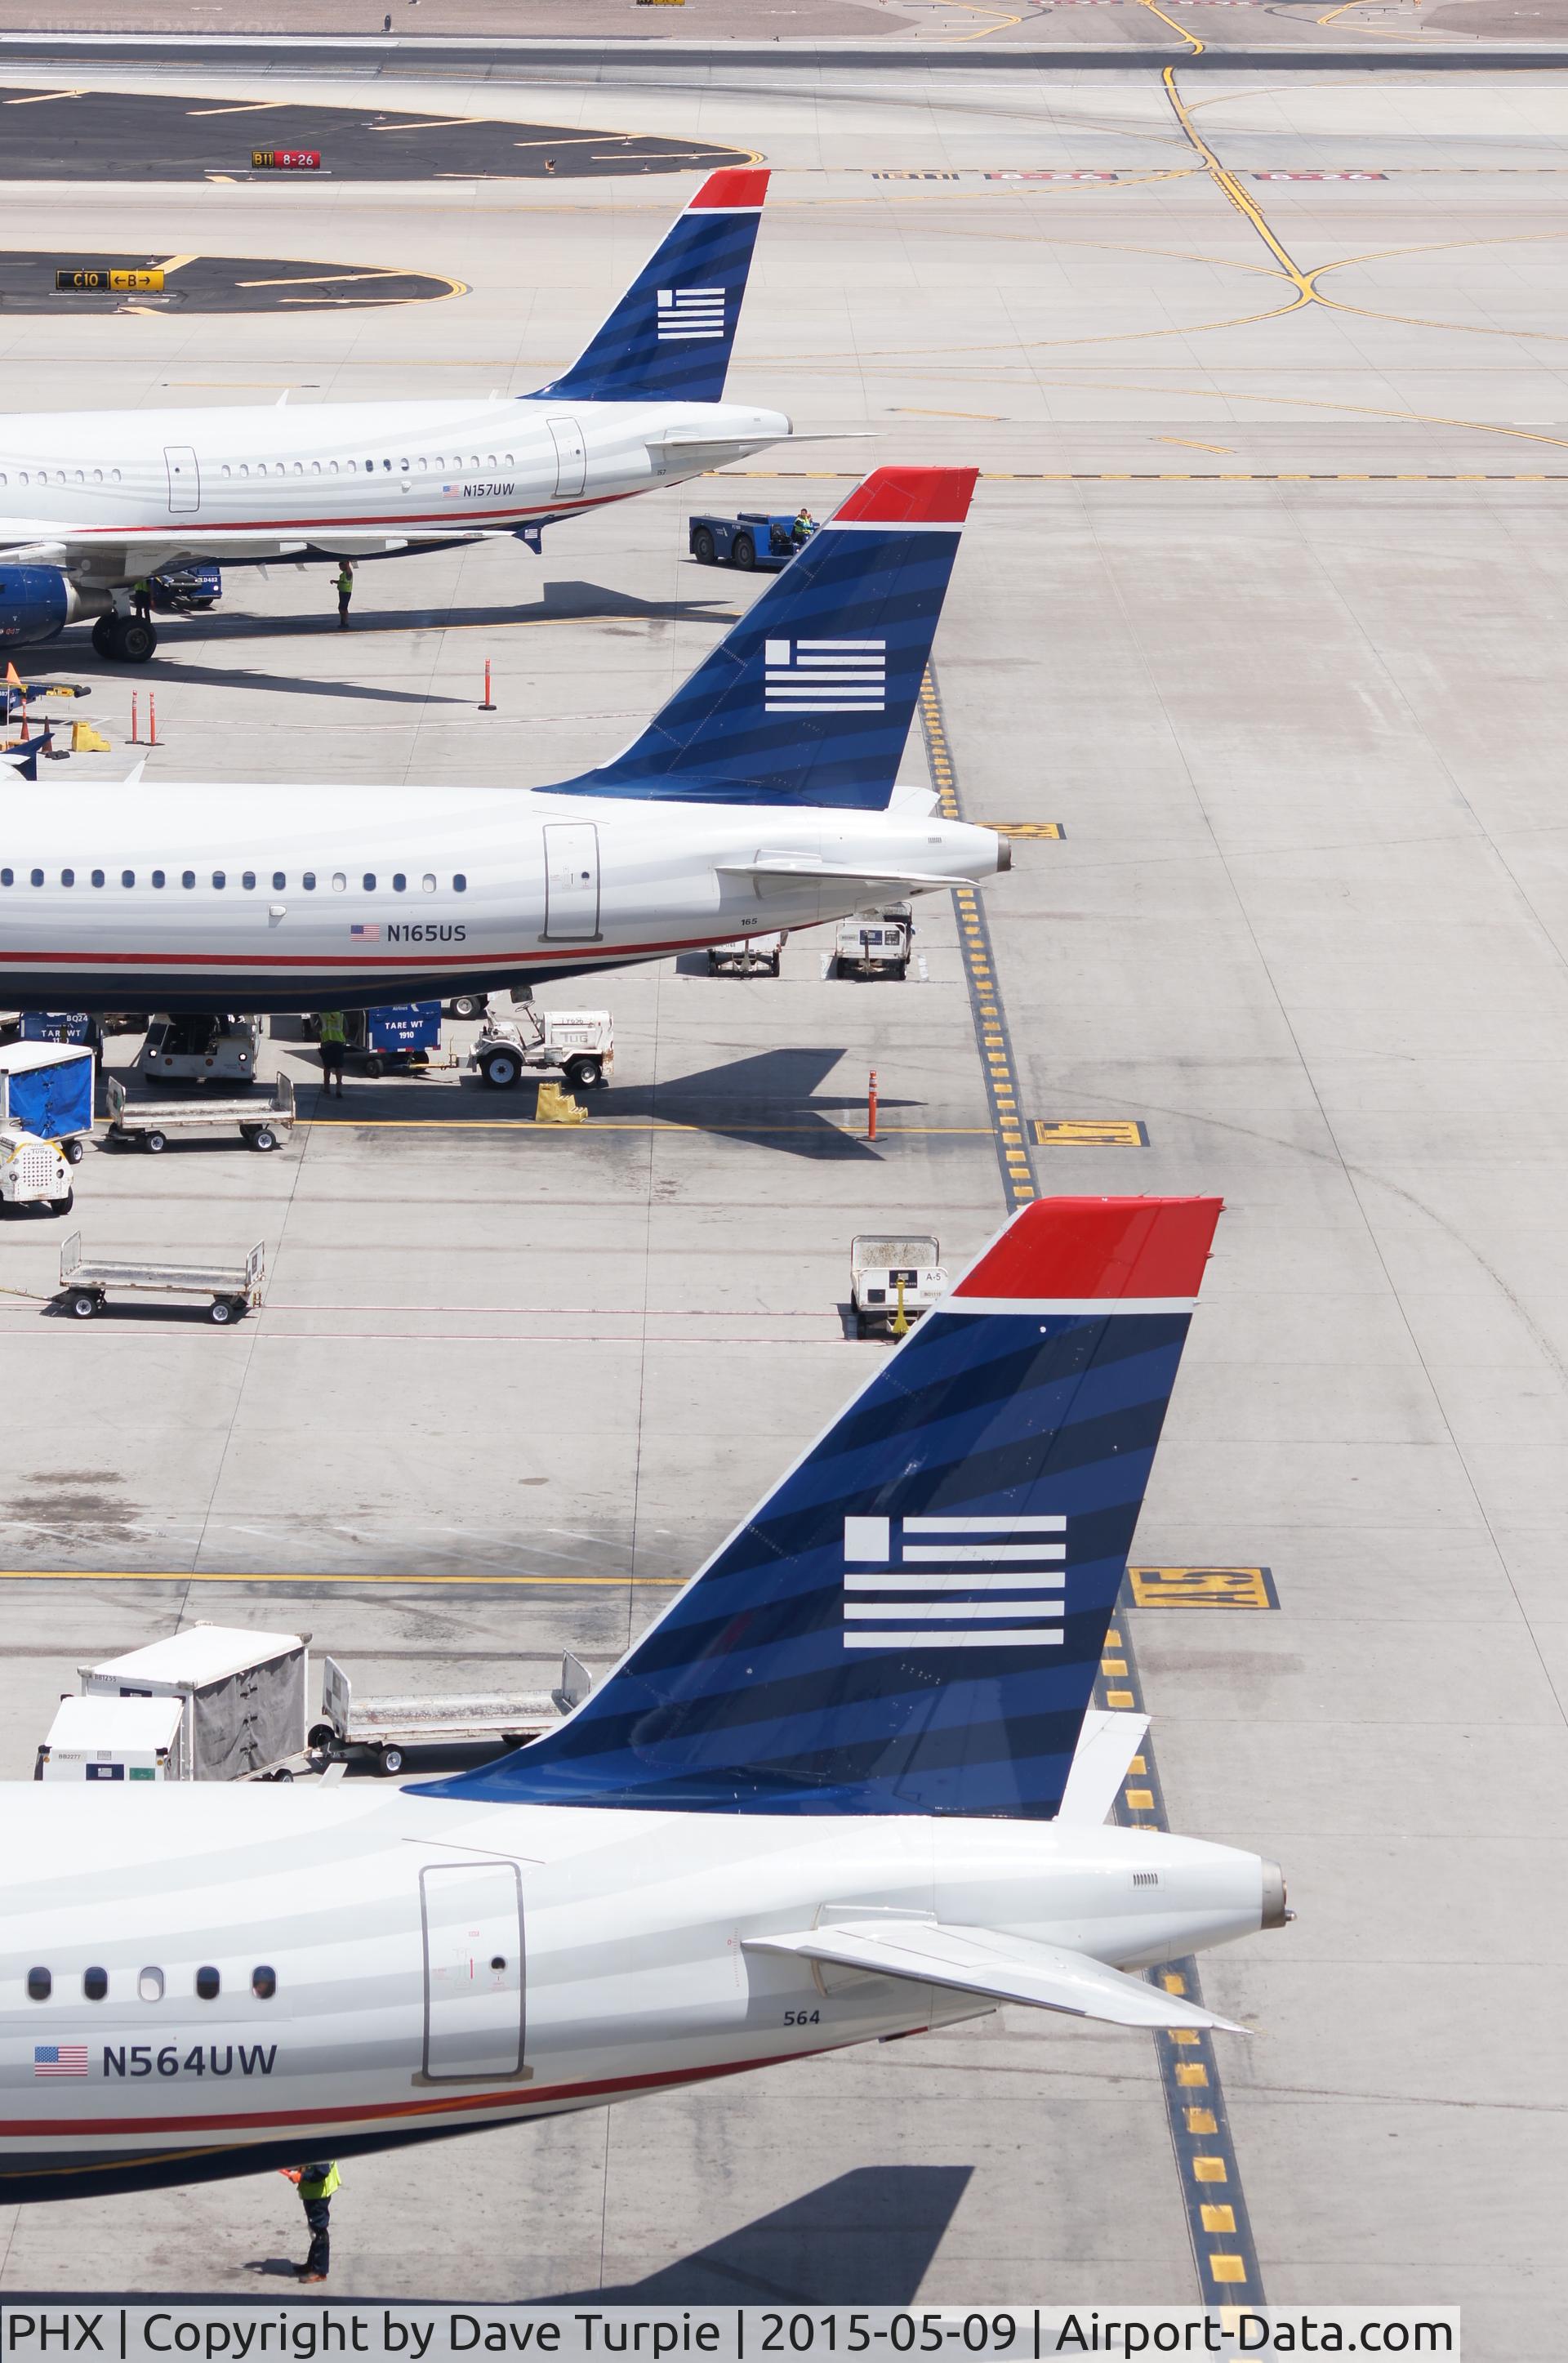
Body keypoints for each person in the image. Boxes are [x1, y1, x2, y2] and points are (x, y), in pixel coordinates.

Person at [282, 2159, 339, 2283]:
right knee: (315, 2229)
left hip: (318, 2194)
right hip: (314, 2192)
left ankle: (320, 2271)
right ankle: (312, 2264)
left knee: (319, 2230)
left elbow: (322, 2172)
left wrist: (301, 2176)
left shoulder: (321, 2146)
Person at [316, 1010, 347, 1098]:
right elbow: (346, 1030)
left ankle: (327, 1088)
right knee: (339, 1067)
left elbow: (316, 1029)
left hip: (326, 1044)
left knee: (327, 1067)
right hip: (339, 1043)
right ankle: (339, 1089)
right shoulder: (341, 1015)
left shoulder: (322, 1015)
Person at [335, 563, 354, 629]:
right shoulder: (343, 574)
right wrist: (334, 581)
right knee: (341, 608)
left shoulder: (348, 573)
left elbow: (348, 570)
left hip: (346, 592)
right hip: (342, 592)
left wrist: (347, 563)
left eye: (340, 567)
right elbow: (341, 581)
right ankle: (343, 622)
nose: (340, 568)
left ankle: (345, 623)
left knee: (343, 608)